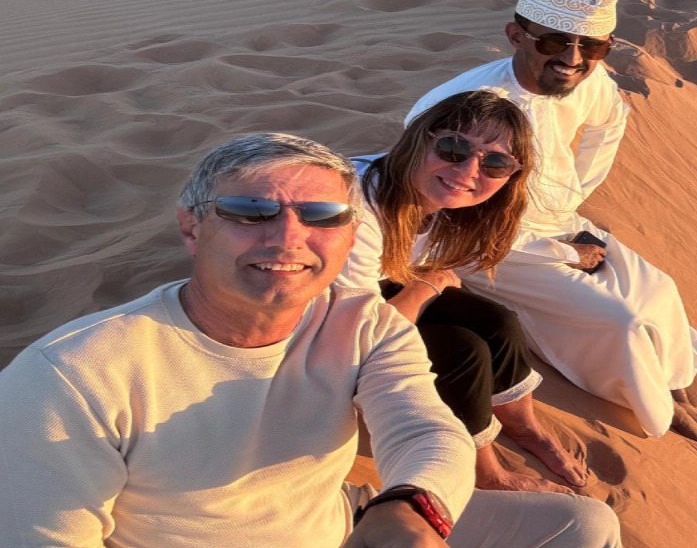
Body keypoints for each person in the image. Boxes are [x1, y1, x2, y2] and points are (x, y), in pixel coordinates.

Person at [0, 133, 621, 547]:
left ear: (351, 237)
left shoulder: (362, 324)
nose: (287, 239)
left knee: (582, 523)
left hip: (337, 523)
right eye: (250, 212)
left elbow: (423, 428)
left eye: (322, 218)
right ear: (192, 227)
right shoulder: (71, 374)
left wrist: (410, 505)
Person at [404, 0, 697, 445]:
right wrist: (566, 253)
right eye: (553, 41)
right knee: (622, 322)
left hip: (558, 221)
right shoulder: (463, 104)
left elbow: (609, 125)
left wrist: (572, 200)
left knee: (658, 288)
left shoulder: (589, 80)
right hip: (481, 246)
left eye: (591, 45)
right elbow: (439, 211)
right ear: (516, 36)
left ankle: (674, 388)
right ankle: (655, 411)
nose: (572, 58)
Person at [338, 90, 588, 493]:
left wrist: (567, 252)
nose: (471, 170)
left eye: (496, 162)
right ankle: (486, 473)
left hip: (369, 293)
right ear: (422, 138)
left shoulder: (439, 203)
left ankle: (524, 427)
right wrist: (427, 285)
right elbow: (361, 334)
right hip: (312, 333)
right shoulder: (358, 206)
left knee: (497, 322)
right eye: (454, 147)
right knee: (459, 351)